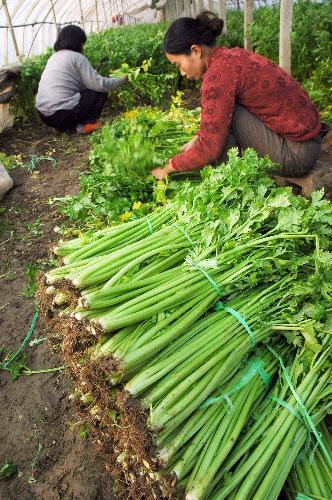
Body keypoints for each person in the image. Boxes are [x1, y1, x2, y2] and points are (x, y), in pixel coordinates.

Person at [150, 11, 329, 196]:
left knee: (225, 123)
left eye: (178, 64)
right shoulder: (228, 56)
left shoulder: (217, 77)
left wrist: (168, 167)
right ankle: (231, 178)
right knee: (223, 115)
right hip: (308, 143)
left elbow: (210, 148)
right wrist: (198, 137)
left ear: (195, 51)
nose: (181, 73)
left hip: (297, 155)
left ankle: (229, 187)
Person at [36, 25, 128, 134]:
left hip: (44, 115)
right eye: (82, 43)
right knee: (99, 91)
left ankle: (61, 127)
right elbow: (100, 84)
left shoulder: (54, 57)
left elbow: (73, 85)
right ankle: (84, 126)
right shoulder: (77, 57)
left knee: (79, 94)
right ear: (78, 42)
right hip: (63, 114)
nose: (83, 47)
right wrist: (123, 80)